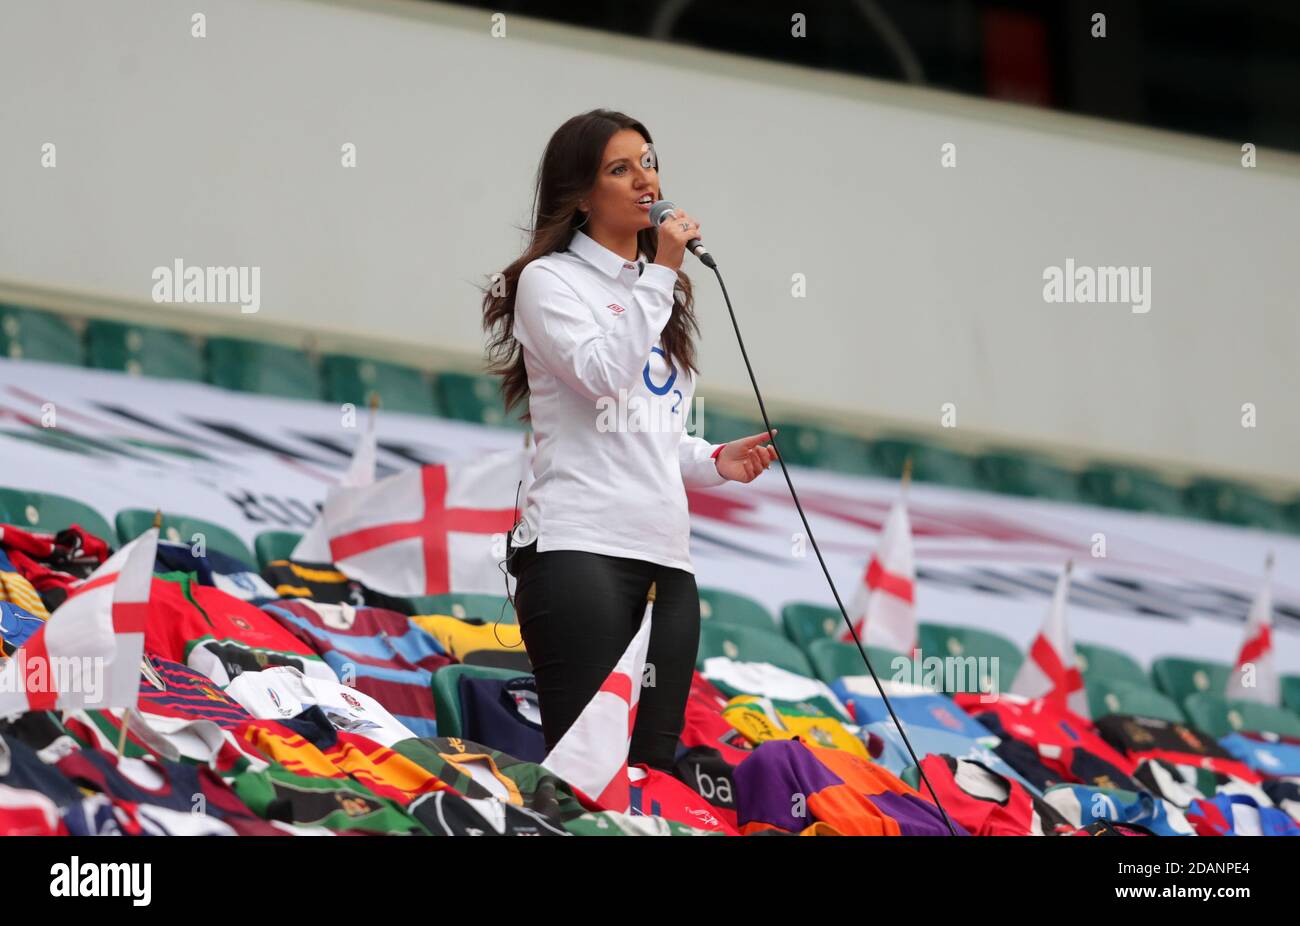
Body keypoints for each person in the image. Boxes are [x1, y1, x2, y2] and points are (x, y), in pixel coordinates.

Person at [482, 109, 777, 771]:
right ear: (582, 195)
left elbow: (649, 436)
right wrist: (661, 275)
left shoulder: (658, 290)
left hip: (667, 563)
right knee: (591, 774)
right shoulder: (550, 281)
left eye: (649, 161)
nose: (646, 180)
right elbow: (604, 379)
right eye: (621, 168)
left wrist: (715, 461)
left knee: (650, 773)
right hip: (580, 549)